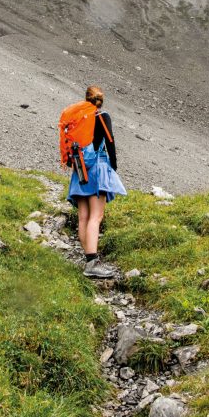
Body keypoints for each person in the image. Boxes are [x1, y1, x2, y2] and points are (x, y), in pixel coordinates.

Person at [59, 85, 125, 278]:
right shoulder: (102, 116)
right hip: (97, 167)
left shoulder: (79, 119)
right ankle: (92, 264)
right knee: (96, 217)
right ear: (100, 100)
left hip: (80, 169)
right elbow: (110, 142)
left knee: (83, 218)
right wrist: (113, 167)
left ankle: (89, 259)